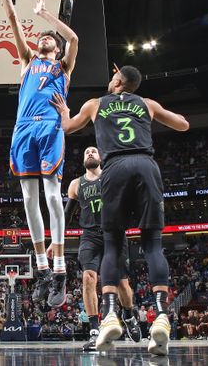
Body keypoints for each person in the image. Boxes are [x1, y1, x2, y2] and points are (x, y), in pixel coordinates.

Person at [51, 65, 189, 356]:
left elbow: (66, 127)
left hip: (114, 169)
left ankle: (111, 314)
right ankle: (161, 315)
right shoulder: (147, 104)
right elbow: (183, 125)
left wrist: (64, 111)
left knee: (112, 245)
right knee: (153, 244)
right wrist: (154, 113)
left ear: (116, 81)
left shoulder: (95, 104)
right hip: (145, 165)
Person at [0, 0, 79, 308]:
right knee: (29, 199)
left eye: (50, 39)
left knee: (52, 196)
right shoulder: (28, 61)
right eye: (43, 36)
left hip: (49, 126)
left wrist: (45, 14)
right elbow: (13, 22)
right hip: (23, 128)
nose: (46, 38)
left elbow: (74, 40)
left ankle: (60, 269)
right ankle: (43, 268)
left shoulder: (63, 67)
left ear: (56, 50)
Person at [62, 146, 140, 351]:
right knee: (88, 278)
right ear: (83, 160)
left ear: (100, 158)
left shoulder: (112, 177)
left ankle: (129, 315)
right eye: (86, 152)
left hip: (113, 233)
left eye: (93, 151)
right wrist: (56, 240)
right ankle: (94, 331)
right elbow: (66, 216)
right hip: (89, 236)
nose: (89, 153)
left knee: (122, 283)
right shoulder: (76, 184)